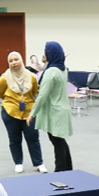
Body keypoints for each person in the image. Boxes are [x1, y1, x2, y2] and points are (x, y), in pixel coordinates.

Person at [28, 42, 74, 171]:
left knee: (57, 142)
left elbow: (42, 95)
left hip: (55, 112)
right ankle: (67, 169)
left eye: (46, 52)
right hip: (61, 109)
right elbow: (46, 66)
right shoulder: (62, 69)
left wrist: (32, 113)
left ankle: (60, 170)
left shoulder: (51, 72)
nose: (44, 54)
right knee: (60, 141)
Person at [0, 51, 47, 174]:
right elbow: (0, 93)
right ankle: (18, 163)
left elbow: (34, 91)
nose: (14, 63)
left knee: (33, 138)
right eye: (11, 61)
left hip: (29, 112)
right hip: (10, 111)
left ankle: (39, 163)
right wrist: (13, 101)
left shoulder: (31, 76)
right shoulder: (5, 77)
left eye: (16, 59)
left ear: (21, 60)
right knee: (14, 139)